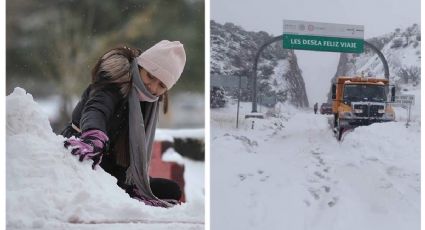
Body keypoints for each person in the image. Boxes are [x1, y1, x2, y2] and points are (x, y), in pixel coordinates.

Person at [61, 40, 186, 208]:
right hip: (86, 148)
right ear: (140, 67)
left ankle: (131, 188)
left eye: (161, 85)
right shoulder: (114, 82)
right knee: (104, 177)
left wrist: (135, 179)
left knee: (171, 190)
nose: (152, 87)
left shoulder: (148, 102)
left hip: (116, 167)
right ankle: (124, 193)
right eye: (150, 76)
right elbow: (97, 108)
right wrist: (94, 134)